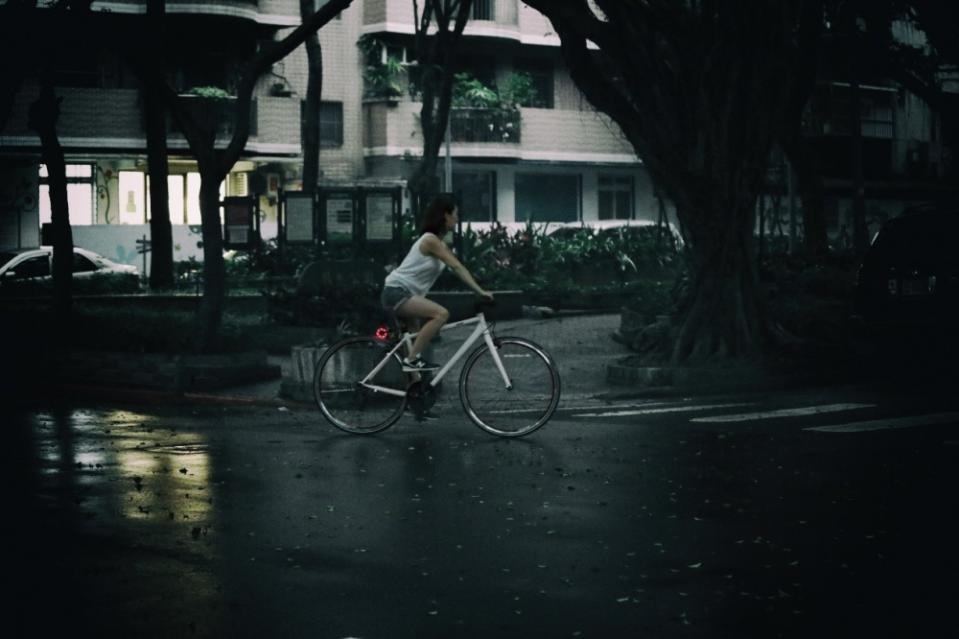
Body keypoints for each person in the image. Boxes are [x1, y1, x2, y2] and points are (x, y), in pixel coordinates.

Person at [381, 195, 493, 372]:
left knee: (414, 343)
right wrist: (479, 291)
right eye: (455, 214)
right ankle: (411, 360)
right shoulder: (430, 240)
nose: (457, 219)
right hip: (397, 292)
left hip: (406, 294)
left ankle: (414, 389)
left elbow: (458, 267)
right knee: (441, 314)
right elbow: (456, 266)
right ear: (445, 216)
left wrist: (477, 284)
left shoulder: (438, 243)